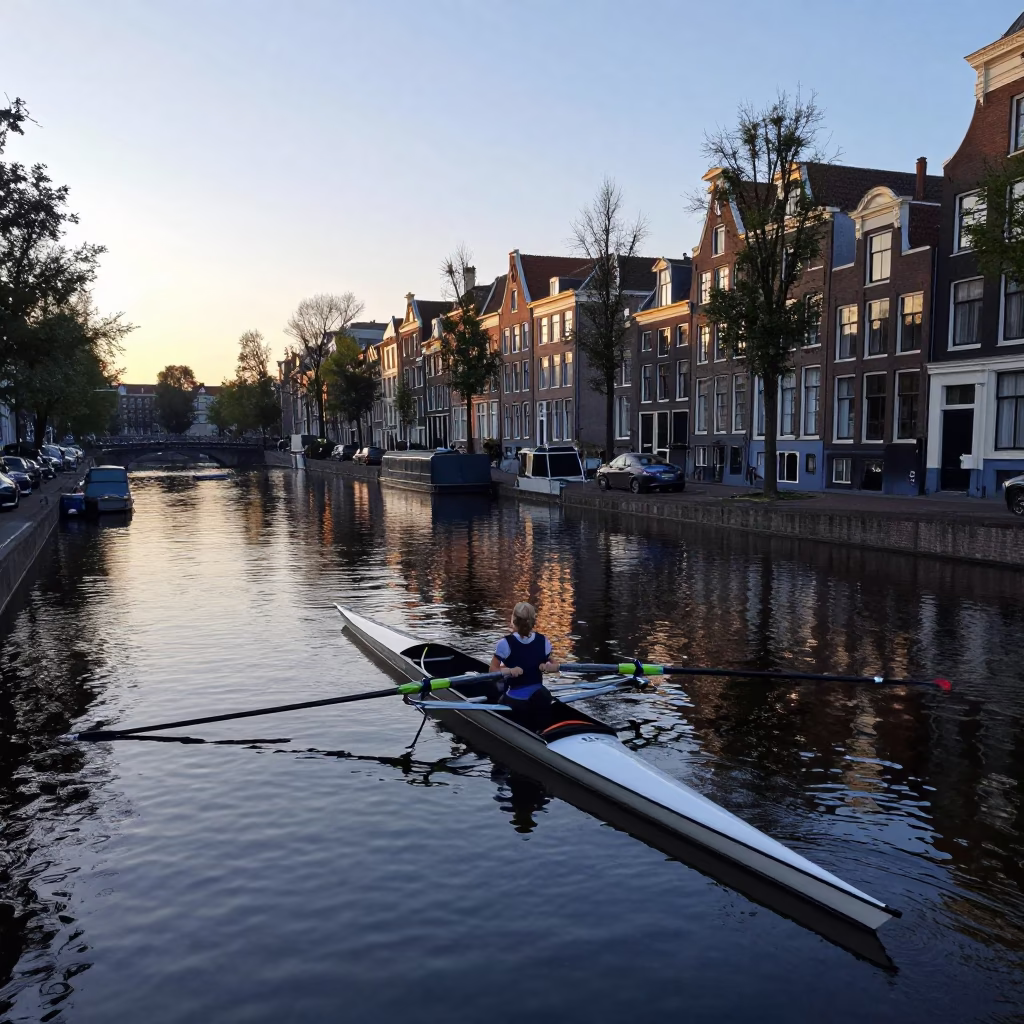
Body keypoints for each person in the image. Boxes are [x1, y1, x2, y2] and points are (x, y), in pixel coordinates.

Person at [489, 602, 559, 731]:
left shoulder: (504, 643)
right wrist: (510, 670)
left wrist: (549, 666)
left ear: (513, 620)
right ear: (534, 621)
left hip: (516, 701)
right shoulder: (544, 641)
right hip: (540, 697)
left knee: (500, 698)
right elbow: (556, 665)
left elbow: (492, 670)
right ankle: (541, 730)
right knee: (543, 697)